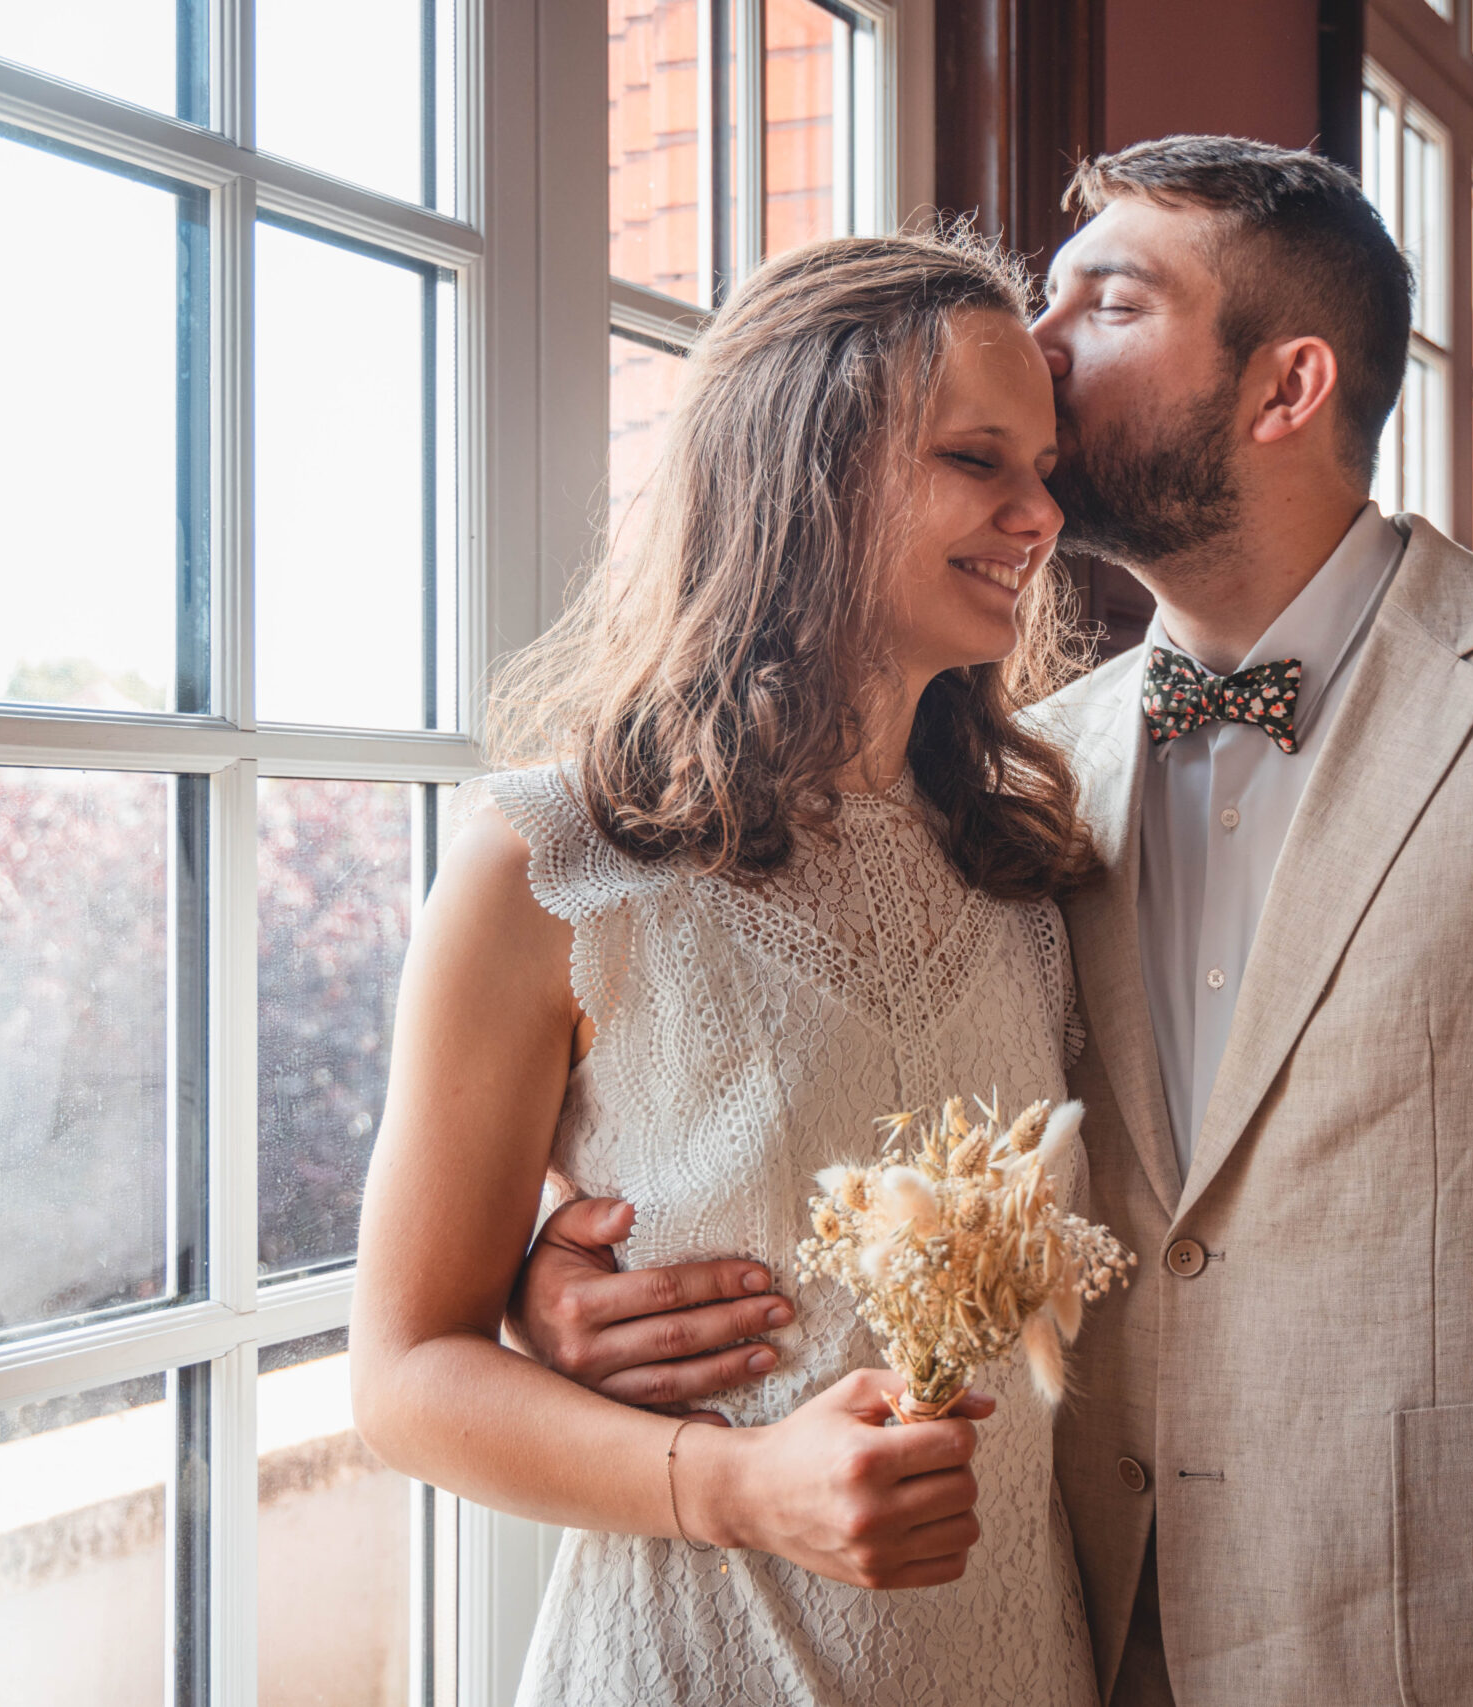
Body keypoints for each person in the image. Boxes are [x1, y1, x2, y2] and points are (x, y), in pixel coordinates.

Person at [514, 135, 1473, 1706]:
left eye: (1110, 300)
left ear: (1285, 388)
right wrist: (570, 1282)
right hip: (1070, 1646)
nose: (1043, 341)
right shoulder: (1019, 780)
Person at [347, 227, 1103, 1705]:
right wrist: (743, 1484)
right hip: (695, 1665)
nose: (1039, 517)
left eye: (1047, 469)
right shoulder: (552, 865)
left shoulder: (1036, 864)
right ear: (803, 467)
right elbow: (403, 1376)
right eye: (978, 460)